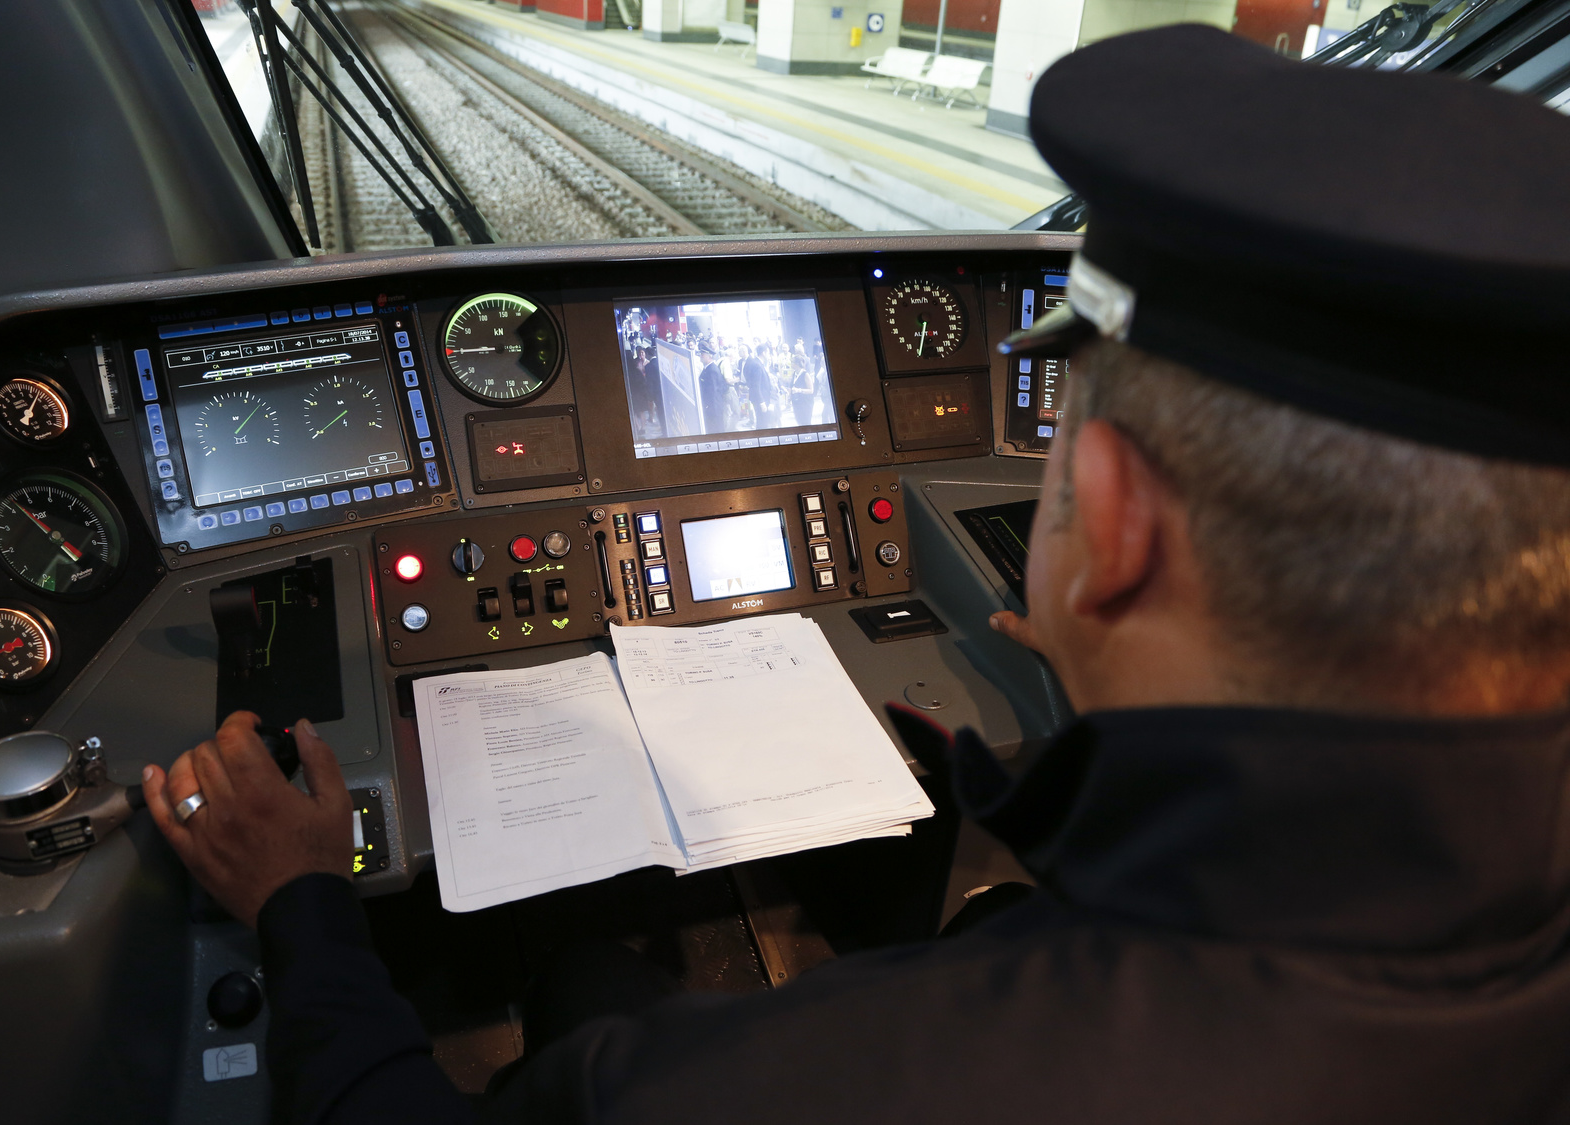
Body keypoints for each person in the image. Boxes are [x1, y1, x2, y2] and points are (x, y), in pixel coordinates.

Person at [143, 26, 1570, 1125]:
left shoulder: (801, 1084)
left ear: (1118, 527)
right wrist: (1108, 705)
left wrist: (304, 900)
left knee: (580, 986)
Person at [742, 342, 775, 430]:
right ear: (763, 353)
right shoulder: (757, 365)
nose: (769, 355)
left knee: (763, 422)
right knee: (762, 423)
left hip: (760, 398)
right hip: (761, 399)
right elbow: (756, 385)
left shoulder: (756, 363)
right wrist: (762, 402)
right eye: (768, 352)